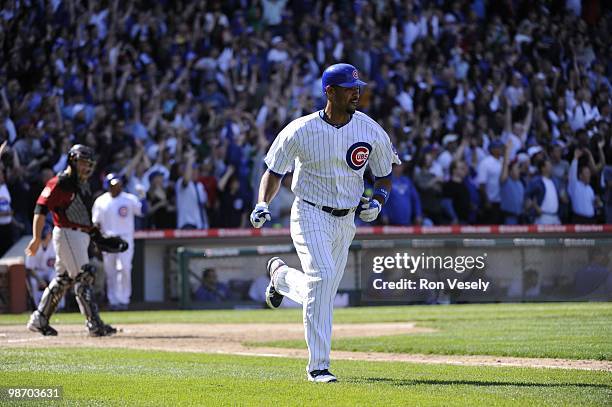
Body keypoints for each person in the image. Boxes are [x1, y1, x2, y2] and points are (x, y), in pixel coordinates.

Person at [249, 63, 399, 383]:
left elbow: (385, 175)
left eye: (358, 87)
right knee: (325, 276)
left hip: (346, 220)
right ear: (329, 91)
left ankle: (282, 278)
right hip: (309, 212)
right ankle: (319, 367)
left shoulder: (370, 129)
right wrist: (263, 203)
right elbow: (274, 172)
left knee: (322, 291)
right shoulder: (300, 129)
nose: (356, 92)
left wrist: (378, 201)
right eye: (348, 87)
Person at [25, 144, 116, 337]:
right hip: (67, 232)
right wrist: (35, 237)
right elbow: (40, 208)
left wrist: (99, 239)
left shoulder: (82, 184)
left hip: (78, 235)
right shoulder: (60, 182)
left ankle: (39, 319)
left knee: (63, 279)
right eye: (83, 163)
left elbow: (83, 217)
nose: (86, 168)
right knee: (85, 275)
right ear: (72, 161)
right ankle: (93, 323)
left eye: (89, 164)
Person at [92, 173, 144, 310]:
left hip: (125, 237)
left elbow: (143, 211)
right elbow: (95, 223)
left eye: (118, 184)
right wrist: (97, 242)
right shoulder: (100, 201)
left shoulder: (129, 199)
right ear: (107, 186)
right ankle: (113, 300)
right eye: (113, 185)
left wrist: (143, 197)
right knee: (110, 271)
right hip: (107, 238)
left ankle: (124, 299)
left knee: (125, 268)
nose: (117, 187)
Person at [24, 223, 64, 309]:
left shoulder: (56, 243)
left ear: (50, 234)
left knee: (58, 278)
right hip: (37, 272)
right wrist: (39, 279)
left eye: (45, 235)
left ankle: (60, 306)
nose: (44, 238)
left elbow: (61, 262)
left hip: (51, 270)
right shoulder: (34, 243)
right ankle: (37, 307)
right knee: (34, 282)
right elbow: (29, 268)